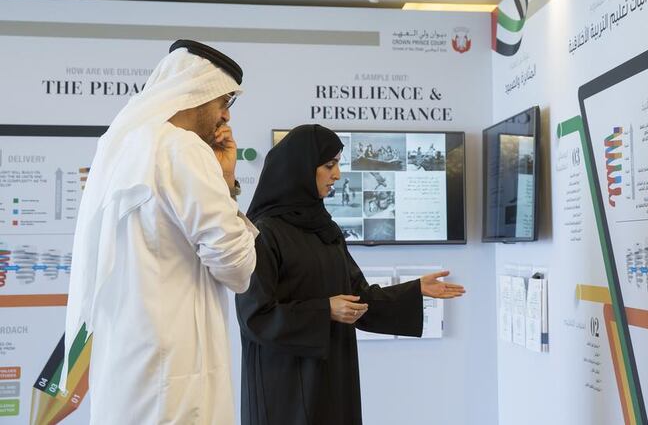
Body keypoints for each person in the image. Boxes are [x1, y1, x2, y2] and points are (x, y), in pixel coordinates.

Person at [62, 40, 258, 425]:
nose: (225, 117)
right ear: (197, 93)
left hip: (129, 356)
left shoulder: (125, 146)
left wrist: (224, 181)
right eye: (224, 102)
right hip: (176, 366)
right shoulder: (181, 148)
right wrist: (227, 183)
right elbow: (237, 268)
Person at [236, 124, 465, 425]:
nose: (338, 175)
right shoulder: (262, 233)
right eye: (329, 165)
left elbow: (357, 296)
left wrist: (414, 289)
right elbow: (255, 316)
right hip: (284, 387)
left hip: (333, 375)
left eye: (338, 164)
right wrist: (324, 310)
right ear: (300, 169)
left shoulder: (325, 230)